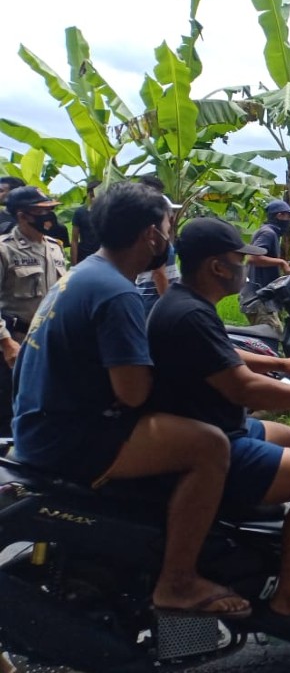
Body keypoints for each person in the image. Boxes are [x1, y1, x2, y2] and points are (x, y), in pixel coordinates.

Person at [12, 182, 250, 619]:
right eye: (165, 225)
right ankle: (178, 581)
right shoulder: (117, 292)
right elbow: (133, 392)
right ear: (150, 236)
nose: (169, 236)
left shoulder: (85, 275)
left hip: (39, 425)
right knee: (209, 445)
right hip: (71, 437)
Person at [147, 217, 290, 635]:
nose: (245, 267)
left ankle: (255, 542)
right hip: (214, 440)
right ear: (217, 267)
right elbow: (243, 388)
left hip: (211, 425)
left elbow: (224, 353)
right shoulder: (189, 313)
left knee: (286, 436)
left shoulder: (182, 300)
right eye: (238, 259)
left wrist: (281, 363)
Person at [0, 187, 68, 435]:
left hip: (46, 343)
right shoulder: (4, 249)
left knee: (43, 407)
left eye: (50, 209)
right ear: (22, 216)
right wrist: (6, 343)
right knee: (9, 413)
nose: (49, 215)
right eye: (41, 211)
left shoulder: (54, 247)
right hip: (13, 345)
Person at [239, 199, 290, 333]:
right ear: (279, 215)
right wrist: (281, 262)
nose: (289, 220)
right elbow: (253, 258)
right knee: (273, 336)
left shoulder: (269, 232)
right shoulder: (268, 233)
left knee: (269, 338)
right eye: (288, 216)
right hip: (258, 298)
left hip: (261, 297)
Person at [135, 175, 182, 316]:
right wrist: (169, 306)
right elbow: (159, 274)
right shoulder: (156, 236)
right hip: (154, 300)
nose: (172, 215)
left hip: (147, 297)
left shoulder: (141, 230)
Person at [71, 180, 102, 265]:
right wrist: (74, 264)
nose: (93, 198)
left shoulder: (107, 213)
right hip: (84, 257)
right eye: (91, 195)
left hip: (103, 258)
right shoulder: (80, 213)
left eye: (96, 195)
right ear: (88, 195)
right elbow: (74, 240)